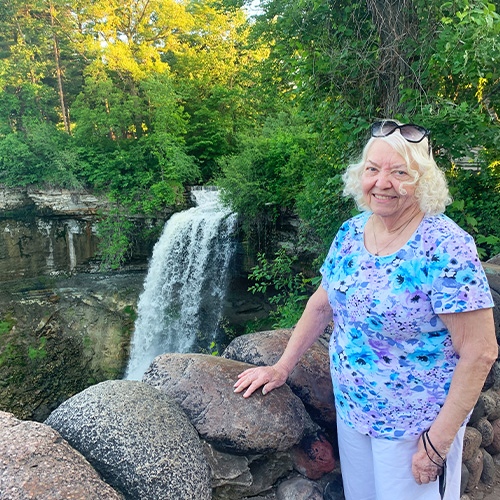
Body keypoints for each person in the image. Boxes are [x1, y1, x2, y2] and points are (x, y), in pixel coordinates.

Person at [233, 119, 497, 500]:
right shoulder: (350, 233)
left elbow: (481, 351)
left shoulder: (447, 247)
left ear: (423, 181)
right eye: (373, 169)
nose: (382, 182)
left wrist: (438, 442)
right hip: (353, 415)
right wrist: (281, 367)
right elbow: (322, 305)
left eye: (399, 172)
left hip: (415, 429)